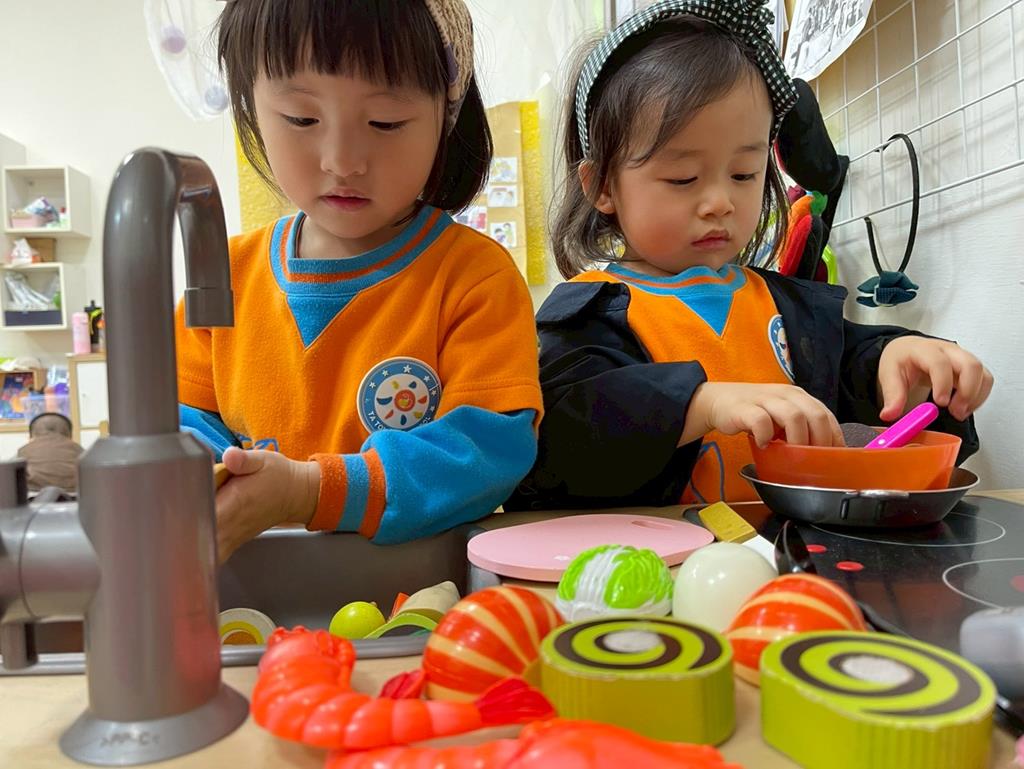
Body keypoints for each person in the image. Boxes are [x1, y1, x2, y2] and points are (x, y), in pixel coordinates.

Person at [506, 0, 991, 511]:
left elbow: (852, 368)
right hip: (653, 554)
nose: (721, 202)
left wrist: (900, 362)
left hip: (785, 548)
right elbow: (561, 435)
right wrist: (701, 402)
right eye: (683, 178)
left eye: (744, 174)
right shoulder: (586, 314)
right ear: (602, 185)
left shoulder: (787, 306)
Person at [176, 0, 542, 560]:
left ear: (444, 117)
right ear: (251, 105)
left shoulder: (473, 277)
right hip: (249, 581)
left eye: (385, 122)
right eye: (301, 118)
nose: (342, 161)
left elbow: (487, 451)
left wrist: (307, 491)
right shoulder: (223, 274)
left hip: (417, 592)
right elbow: (177, 420)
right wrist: (217, 473)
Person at [17, 412, 83, 493]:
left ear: (31, 435)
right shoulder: (77, 448)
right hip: (73, 493)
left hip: (34, 493)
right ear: (69, 434)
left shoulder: (24, 450)